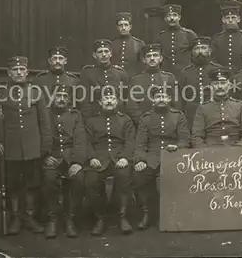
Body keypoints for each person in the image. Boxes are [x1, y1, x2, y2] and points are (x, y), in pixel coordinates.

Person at [0, 56, 52, 235]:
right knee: (13, 184)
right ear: (9, 73)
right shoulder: (0, 92)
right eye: (15, 70)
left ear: (27, 73)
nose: (19, 73)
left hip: (33, 147)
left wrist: (45, 146)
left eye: (22, 70)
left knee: (32, 183)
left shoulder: (36, 92)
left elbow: (44, 122)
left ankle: (29, 217)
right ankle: (16, 218)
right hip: (10, 148)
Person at [132, 86, 190, 230]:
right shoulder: (146, 118)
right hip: (152, 157)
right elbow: (140, 144)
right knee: (139, 176)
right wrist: (140, 160)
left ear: (169, 99)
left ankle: (176, 214)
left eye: (164, 96)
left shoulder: (178, 116)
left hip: (174, 156)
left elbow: (185, 139)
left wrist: (178, 147)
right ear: (153, 99)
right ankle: (147, 213)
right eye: (158, 97)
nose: (161, 99)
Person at [84, 87, 135, 235]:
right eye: (106, 99)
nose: (109, 101)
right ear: (100, 102)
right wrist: (92, 157)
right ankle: (100, 217)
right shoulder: (91, 121)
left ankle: (122, 217)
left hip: (120, 157)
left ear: (117, 101)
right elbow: (86, 142)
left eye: (112, 98)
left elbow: (130, 141)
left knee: (124, 177)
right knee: (91, 181)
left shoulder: (126, 120)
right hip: (99, 159)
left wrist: (125, 157)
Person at [43, 84, 86, 238]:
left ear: (69, 99)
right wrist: (45, 155)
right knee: (49, 180)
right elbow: (40, 136)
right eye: (58, 96)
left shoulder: (75, 115)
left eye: (64, 96)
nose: (61, 99)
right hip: (51, 156)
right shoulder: (45, 114)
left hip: (70, 156)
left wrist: (77, 162)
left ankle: (70, 219)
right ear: (52, 97)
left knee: (77, 179)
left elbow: (80, 140)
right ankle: (52, 219)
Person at [192, 67, 242, 148]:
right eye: (216, 83)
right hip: (211, 151)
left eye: (223, 83)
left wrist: (241, 146)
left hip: (236, 150)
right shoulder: (203, 108)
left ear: (229, 85)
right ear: (211, 86)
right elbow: (196, 137)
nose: (219, 86)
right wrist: (206, 152)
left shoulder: (240, 106)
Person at [126, 43, 179, 126]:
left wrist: (169, 122)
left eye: (155, 55)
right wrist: (143, 123)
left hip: (168, 125)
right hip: (143, 126)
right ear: (144, 60)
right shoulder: (136, 80)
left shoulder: (169, 78)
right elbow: (132, 106)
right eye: (148, 56)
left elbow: (176, 103)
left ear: (161, 58)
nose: (152, 58)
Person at [79, 39, 130, 120]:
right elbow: (84, 101)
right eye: (100, 52)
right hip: (94, 118)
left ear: (111, 54)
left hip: (117, 118)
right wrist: (88, 120)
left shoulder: (121, 73)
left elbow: (124, 99)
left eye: (106, 51)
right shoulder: (87, 73)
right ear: (94, 55)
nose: (104, 54)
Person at [181, 36, 223, 128]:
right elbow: (181, 98)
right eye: (197, 48)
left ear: (209, 51)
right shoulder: (185, 72)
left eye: (203, 48)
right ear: (192, 52)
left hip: (214, 113)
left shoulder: (217, 69)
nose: (200, 51)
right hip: (191, 116)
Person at [154, 4, 197, 78]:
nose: (171, 18)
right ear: (165, 18)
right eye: (168, 15)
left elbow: (196, 54)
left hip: (185, 73)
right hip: (166, 75)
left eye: (174, 15)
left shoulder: (189, 34)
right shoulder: (160, 36)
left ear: (179, 17)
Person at [211, 0, 242, 70]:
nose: (230, 20)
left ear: (238, 19)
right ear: (223, 20)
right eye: (227, 18)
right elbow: (213, 59)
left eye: (233, 18)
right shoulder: (217, 38)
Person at [111, 12, 146, 76]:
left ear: (130, 26)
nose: (123, 28)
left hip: (133, 79)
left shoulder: (139, 44)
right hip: (116, 78)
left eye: (126, 25)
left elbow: (143, 66)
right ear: (117, 27)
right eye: (120, 25)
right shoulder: (112, 44)